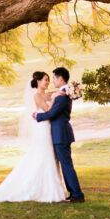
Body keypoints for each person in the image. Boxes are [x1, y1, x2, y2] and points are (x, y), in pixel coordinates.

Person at [0, 71, 67, 202]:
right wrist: (55, 98)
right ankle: (38, 188)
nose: (48, 82)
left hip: (48, 128)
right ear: (38, 81)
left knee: (48, 155)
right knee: (42, 154)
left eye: (49, 80)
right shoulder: (37, 95)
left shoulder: (45, 94)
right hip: (42, 128)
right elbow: (48, 109)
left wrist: (57, 94)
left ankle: (50, 187)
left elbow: (51, 96)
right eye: (45, 80)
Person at [33, 66, 85, 203]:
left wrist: (37, 116)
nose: (53, 81)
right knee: (65, 164)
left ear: (60, 79)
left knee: (67, 165)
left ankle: (77, 195)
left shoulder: (62, 96)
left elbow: (51, 113)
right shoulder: (62, 93)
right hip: (60, 133)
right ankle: (73, 194)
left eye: (54, 78)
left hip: (60, 134)